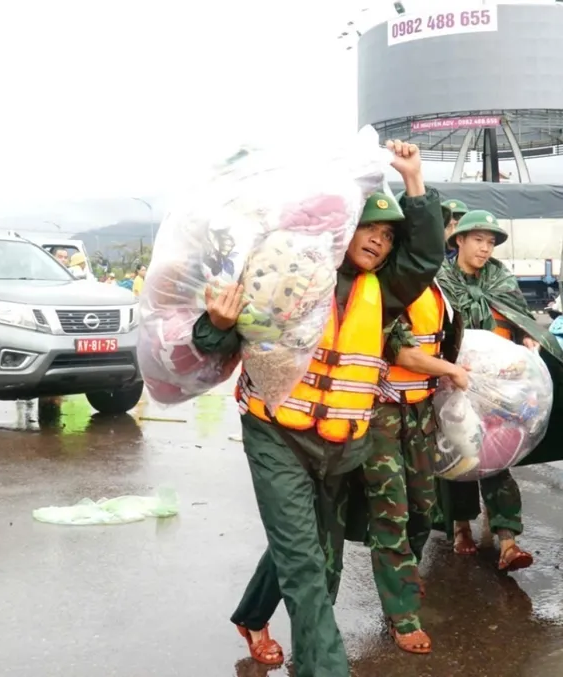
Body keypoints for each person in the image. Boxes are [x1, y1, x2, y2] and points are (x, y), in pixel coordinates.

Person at [191, 140, 444, 677]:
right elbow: (213, 345)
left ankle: (252, 616)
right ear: (342, 228)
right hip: (276, 434)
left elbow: (424, 256)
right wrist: (215, 322)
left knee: (309, 550)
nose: (378, 240)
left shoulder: (387, 292)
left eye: (387, 236)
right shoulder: (291, 273)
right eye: (369, 229)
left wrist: (414, 181)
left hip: (343, 446)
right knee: (309, 567)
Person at [358, 284, 469, 654]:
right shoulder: (387, 284)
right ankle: (402, 614)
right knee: (391, 512)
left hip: (421, 412)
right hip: (381, 414)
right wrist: (452, 369)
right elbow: (404, 353)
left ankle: (405, 574)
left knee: (424, 508)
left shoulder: (440, 287)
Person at [433, 209, 538, 572]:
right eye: (478, 239)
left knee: (498, 454)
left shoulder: (500, 279)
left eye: (490, 242)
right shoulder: (441, 280)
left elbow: (519, 318)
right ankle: (460, 526)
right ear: (458, 240)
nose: (485, 248)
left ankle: (508, 538)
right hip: (451, 379)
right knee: (459, 454)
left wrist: (528, 340)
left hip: (499, 383)